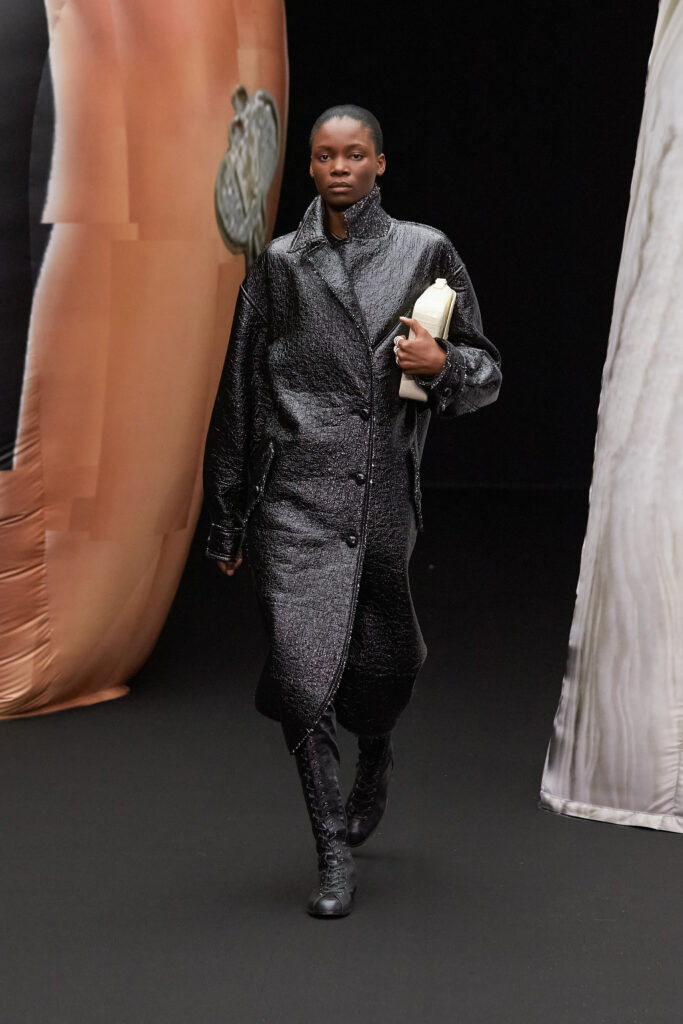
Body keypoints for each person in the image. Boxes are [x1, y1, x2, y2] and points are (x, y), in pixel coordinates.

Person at [202, 104, 502, 918]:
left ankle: (376, 749)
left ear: (379, 164)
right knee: (301, 674)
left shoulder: (423, 251)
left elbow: (486, 374)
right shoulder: (277, 264)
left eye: (355, 154)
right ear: (308, 166)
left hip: (377, 498)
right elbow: (238, 394)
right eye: (325, 155)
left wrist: (441, 363)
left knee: (382, 667)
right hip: (291, 500)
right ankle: (331, 850)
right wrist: (226, 514)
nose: (339, 168)